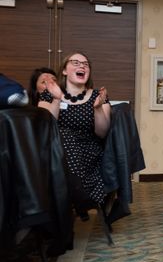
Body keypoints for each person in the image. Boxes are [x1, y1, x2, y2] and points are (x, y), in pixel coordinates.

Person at [38, 52, 111, 217]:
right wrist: (57, 99)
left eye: (85, 64)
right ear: (64, 71)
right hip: (55, 154)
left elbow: (102, 133)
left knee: (66, 137)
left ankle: (73, 199)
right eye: (76, 62)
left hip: (89, 153)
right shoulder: (49, 94)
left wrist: (97, 108)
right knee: (63, 135)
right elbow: (44, 128)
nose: (82, 66)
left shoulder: (97, 97)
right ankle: (79, 198)